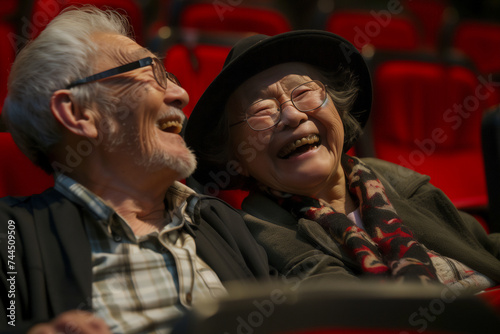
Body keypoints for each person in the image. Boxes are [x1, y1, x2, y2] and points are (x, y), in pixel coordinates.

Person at [0, 7, 271, 333]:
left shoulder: (223, 221)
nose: (181, 95)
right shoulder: (10, 237)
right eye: (151, 73)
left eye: (170, 76)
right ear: (77, 113)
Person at [184, 30, 500, 291]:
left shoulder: (394, 179)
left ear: (338, 108)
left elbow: (484, 250)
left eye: (305, 92)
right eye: (261, 110)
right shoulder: (263, 233)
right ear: (235, 156)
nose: (292, 116)